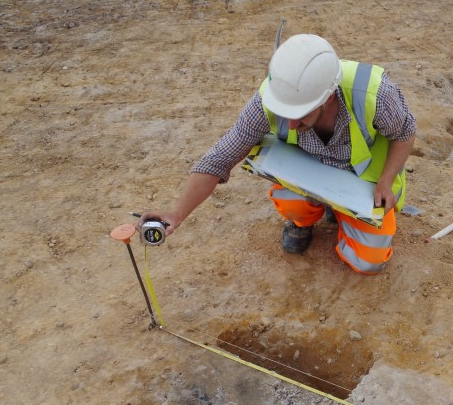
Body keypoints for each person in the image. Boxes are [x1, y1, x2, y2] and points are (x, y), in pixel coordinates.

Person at [136, 34, 416, 274]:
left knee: (369, 260)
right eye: (286, 113)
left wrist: (386, 181)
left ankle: (342, 215)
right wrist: (177, 214)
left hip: (362, 180)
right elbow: (220, 158)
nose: (291, 124)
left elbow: (405, 133)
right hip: (311, 172)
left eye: (300, 114)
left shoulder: (374, 93)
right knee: (289, 198)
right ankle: (303, 220)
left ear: (328, 98)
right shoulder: (269, 99)